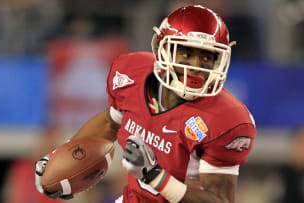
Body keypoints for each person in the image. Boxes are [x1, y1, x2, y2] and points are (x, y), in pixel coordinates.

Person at [35, 5, 256, 203]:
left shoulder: (227, 120)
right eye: (186, 53)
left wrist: (156, 176)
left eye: (207, 57)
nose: (196, 66)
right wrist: (60, 157)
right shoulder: (132, 75)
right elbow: (110, 123)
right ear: (162, 50)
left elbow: (219, 200)